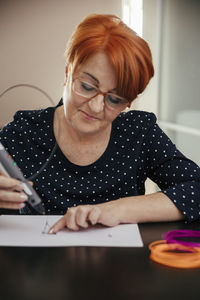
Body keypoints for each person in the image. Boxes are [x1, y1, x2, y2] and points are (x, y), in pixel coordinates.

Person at [0, 14, 200, 233]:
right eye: (86, 86)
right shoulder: (23, 132)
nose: (95, 107)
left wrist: (115, 210)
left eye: (114, 99)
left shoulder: (139, 131)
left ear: (128, 102)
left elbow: (195, 189)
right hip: (36, 265)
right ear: (68, 73)